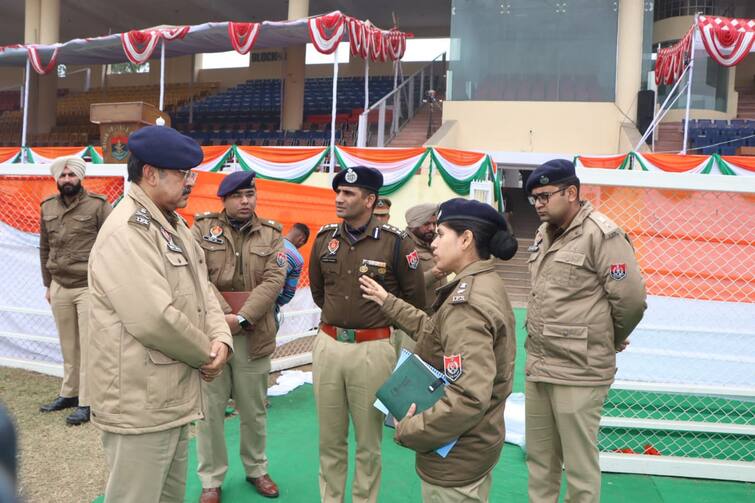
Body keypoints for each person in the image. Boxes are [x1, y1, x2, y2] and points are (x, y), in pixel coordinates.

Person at [87, 126, 233, 503]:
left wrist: (222, 340)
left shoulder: (173, 225)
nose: (190, 183)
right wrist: (207, 354)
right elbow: (154, 318)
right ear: (150, 174)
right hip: (139, 404)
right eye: (183, 174)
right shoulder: (127, 230)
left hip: (169, 399)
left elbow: (205, 292)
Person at [359, 197, 519, 503]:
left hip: (457, 455)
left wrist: (410, 429)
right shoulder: (482, 281)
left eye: (442, 233)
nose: (434, 242)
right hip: (475, 446)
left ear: (466, 239)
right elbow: (436, 332)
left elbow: (468, 397)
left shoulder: (468, 303)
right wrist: (388, 301)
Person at [524, 159, 647, 503]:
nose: (538, 204)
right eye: (534, 198)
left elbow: (632, 300)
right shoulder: (543, 234)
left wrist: (611, 335)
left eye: (545, 196)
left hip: (580, 370)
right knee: (540, 463)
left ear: (572, 192)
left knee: (578, 469)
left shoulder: (601, 234)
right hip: (539, 367)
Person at [309, 166, 425, 503]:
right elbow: (320, 293)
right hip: (329, 345)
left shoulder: (396, 243)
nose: (339, 199)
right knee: (329, 439)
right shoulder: (324, 239)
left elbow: (414, 299)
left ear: (370, 200)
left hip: (373, 350)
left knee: (368, 441)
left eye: (348, 194)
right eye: (339, 192)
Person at [191, 170, 286, 502]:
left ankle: (257, 469)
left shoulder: (272, 234)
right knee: (210, 410)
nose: (246, 201)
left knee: (254, 409)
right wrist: (222, 319)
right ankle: (211, 479)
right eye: (238, 196)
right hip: (213, 335)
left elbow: (275, 279)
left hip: (254, 333)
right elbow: (196, 276)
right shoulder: (202, 229)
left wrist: (243, 318)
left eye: (250, 194)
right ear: (224, 200)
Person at [38, 155, 111, 425]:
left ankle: (88, 402)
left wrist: (105, 284)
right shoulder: (47, 207)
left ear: (81, 177)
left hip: (88, 287)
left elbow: (111, 245)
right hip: (59, 286)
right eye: (62, 175)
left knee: (90, 346)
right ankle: (69, 394)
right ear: (56, 179)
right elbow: (45, 247)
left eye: (71, 175)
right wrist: (48, 284)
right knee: (68, 345)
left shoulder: (98, 206)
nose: (67, 180)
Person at [391, 203, 448, 355]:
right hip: (411, 322)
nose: (431, 228)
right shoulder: (403, 246)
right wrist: (433, 274)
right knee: (408, 369)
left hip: (436, 321)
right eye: (426, 224)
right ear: (413, 224)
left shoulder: (437, 243)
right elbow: (402, 286)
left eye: (434, 223)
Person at [275, 222, 310, 319]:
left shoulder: (270, 242)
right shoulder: (297, 259)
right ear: (301, 240)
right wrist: (276, 303)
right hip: (269, 303)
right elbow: (289, 292)